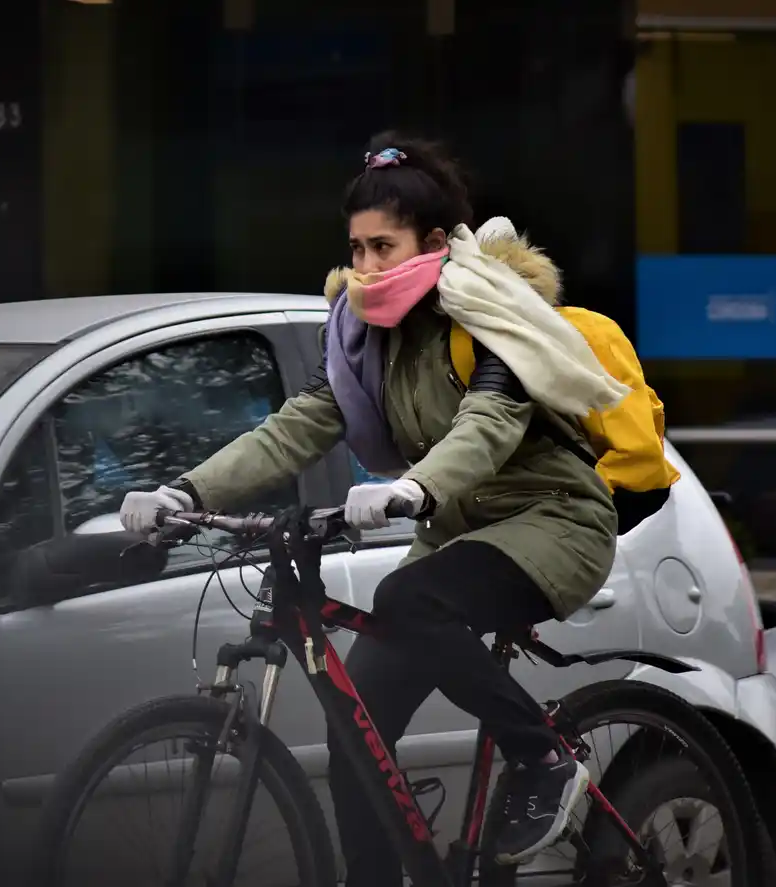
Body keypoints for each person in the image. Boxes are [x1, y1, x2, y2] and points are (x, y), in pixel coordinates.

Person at [118, 132, 624, 883]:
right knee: (358, 730)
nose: (366, 267)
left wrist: (412, 488)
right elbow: (292, 430)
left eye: (384, 247)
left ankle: (544, 757)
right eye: (356, 249)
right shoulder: (359, 339)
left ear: (437, 243)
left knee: (407, 597)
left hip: (553, 522)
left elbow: (488, 424)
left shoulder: (491, 317)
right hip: (458, 537)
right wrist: (186, 491)